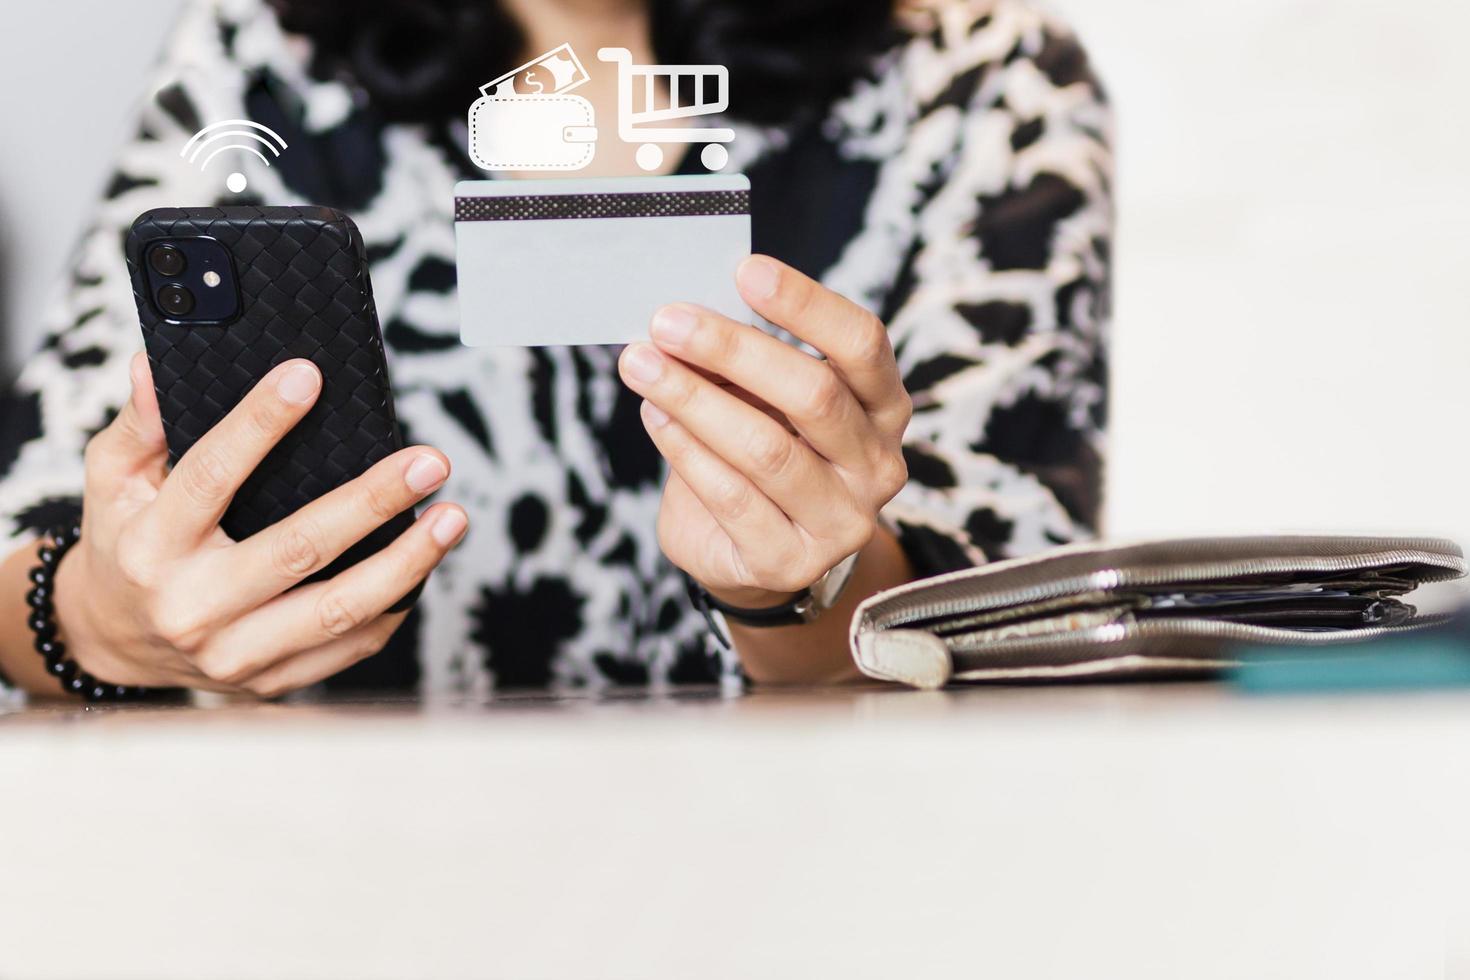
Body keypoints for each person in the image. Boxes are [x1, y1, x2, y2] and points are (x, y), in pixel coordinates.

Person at [0, 0, 1112, 698]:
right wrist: (102, 620)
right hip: (329, 877)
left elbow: (1013, 616)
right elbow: (31, 539)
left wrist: (802, 596)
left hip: (813, 876)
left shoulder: (982, 85)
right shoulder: (260, 61)